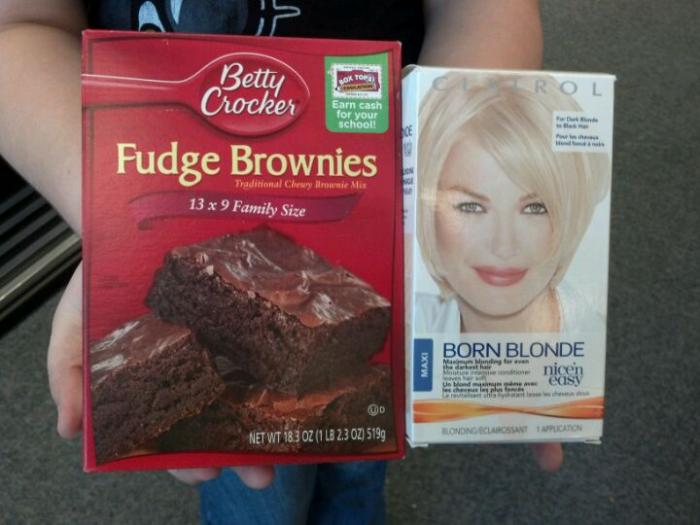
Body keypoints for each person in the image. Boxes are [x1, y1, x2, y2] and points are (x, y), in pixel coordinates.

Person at [0, 1, 560, 523]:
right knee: (258, 495)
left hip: (385, 199)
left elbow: (483, 12)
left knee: (363, 445)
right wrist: (115, 214)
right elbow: (22, 25)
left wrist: (443, 203)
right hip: (166, 173)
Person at [415, 73, 611, 334]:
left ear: (571, 214)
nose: (503, 246)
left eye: (535, 208)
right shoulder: (404, 327)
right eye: (471, 207)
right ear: (426, 211)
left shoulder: (594, 338)